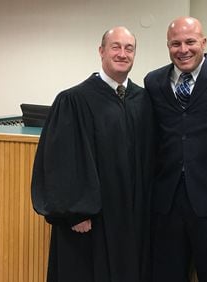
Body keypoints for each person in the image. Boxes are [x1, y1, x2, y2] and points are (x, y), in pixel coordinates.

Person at [31, 26, 155, 282]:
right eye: (115, 47)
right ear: (101, 51)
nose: (122, 53)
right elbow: (61, 161)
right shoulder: (73, 100)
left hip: (132, 217)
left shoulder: (142, 100)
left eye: (128, 48)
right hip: (91, 220)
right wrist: (76, 212)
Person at [144, 16, 207, 282]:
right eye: (175, 43)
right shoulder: (153, 82)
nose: (183, 49)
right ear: (168, 46)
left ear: (204, 42)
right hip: (166, 201)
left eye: (190, 42)